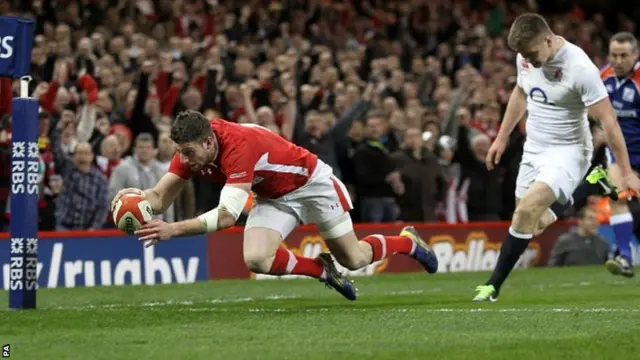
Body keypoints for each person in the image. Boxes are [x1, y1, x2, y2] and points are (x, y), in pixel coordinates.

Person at [111, 110, 438, 301]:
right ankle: (320, 269)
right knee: (256, 258)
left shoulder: (238, 148)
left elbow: (227, 216)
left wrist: (172, 230)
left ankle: (408, 241)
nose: (183, 159)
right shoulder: (194, 149)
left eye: (188, 152)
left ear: (209, 142)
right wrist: (138, 199)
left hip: (312, 185)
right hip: (273, 195)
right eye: (179, 151)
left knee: (354, 258)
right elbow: (159, 196)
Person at [473, 13, 640, 302]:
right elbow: (521, 92)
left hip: (569, 150)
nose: (529, 60)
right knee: (530, 224)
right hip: (535, 147)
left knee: (526, 210)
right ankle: (589, 186)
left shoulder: (580, 67)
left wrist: (625, 171)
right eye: (524, 55)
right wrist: (501, 137)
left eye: (533, 53)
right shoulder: (526, 57)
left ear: (548, 40)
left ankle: (492, 286)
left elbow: (609, 122)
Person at [599, 32, 640, 277]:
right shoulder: (602, 77)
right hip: (617, 152)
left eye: (624, 55)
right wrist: (597, 130)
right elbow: (590, 110)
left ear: (635, 55)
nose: (618, 60)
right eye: (614, 55)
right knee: (617, 197)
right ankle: (625, 257)